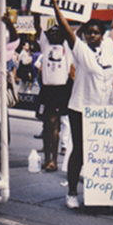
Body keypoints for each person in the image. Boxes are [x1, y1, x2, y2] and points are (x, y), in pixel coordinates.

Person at [48, 0, 113, 209]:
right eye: (89, 33)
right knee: (80, 151)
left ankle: (103, 193)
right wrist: (55, 4)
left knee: (102, 152)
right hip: (80, 108)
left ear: (101, 36)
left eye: (96, 33)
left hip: (103, 110)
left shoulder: (108, 47)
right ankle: (72, 193)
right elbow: (65, 27)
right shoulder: (80, 49)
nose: (92, 36)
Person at [34, 16, 73, 173]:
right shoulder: (45, 45)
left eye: (58, 32)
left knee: (54, 124)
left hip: (60, 90)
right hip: (46, 90)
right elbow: (37, 25)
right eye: (52, 32)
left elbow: (73, 32)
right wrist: (36, 12)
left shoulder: (66, 46)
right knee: (45, 125)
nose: (54, 34)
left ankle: (54, 161)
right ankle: (47, 158)